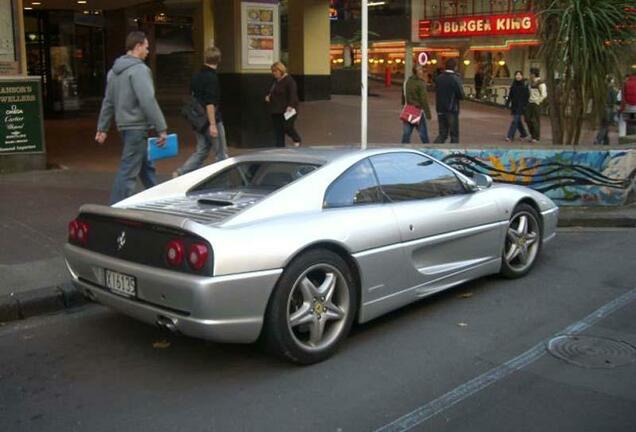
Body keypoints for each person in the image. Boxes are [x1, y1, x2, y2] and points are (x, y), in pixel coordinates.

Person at [96, 31, 167, 205]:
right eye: (146, 47)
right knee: (128, 170)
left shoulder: (113, 72)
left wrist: (102, 128)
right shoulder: (140, 70)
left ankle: (157, 198)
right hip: (137, 126)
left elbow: (108, 102)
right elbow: (147, 100)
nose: (148, 51)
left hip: (124, 126)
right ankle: (116, 207)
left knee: (145, 166)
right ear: (137, 47)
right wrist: (161, 128)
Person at [173, 46, 227, 177]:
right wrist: (213, 124)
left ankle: (181, 172)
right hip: (211, 120)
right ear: (218, 60)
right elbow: (210, 103)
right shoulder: (212, 78)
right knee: (221, 153)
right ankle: (223, 179)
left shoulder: (196, 76)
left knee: (202, 150)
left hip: (197, 120)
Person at [265, 61, 301, 147]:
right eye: (273, 71)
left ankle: (296, 139)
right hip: (276, 109)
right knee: (278, 131)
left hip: (287, 109)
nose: (274, 73)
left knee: (287, 126)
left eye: (275, 71)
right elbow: (273, 92)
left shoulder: (289, 81)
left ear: (281, 70)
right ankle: (279, 147)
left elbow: (293, 94)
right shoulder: (275, 81)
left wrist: (290, 106)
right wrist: (269, 97)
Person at [433, 58, 464, 144]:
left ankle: (434, 148)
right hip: (452, 109)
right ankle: (454, 153)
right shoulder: (455, 78)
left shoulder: (439, 78)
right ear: (455, 67)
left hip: (440, 109)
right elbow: (461, 95)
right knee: (454, 135)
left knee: (442, 134)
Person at [401, 64, 432, 144]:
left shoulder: (407, 81)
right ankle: (427, 149)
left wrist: (404, 104)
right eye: (421, 70)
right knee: (423, 134)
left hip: (408, 110)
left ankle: (404, 148)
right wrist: (428, 114)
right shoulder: (420, 83)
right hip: (417, 111)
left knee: (406, 134)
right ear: (418, 72)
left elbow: (403, 95)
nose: (422, 72)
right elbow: (423, 99)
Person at [504, 71, 529, 142]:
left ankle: (510, 136)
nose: (518, 76)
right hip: (514, 105)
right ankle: (523, 134)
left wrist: (525, 105)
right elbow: (510, 96)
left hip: (521, 106)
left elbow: (527, 96)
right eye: (517, 75)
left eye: (519, 75)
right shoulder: (513, 86)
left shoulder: (524, 85)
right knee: (518, 121)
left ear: (522, 76)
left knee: (515, 121)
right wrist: (507, 104)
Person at [593, 75, 619, 145]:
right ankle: (598, 140)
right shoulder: (612, 89)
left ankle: (606, 141)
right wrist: (614, 110)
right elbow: (614, 101)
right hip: (608, 109)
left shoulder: (601, 89)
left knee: (604, 125)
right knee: (604, 125)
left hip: (601, 108)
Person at [524, 67, 547, 143]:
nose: (530, 75)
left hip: (536, 103)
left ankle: (536, 137)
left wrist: (538, 101)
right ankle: (532, 134)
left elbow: (544, 94)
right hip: (530, 102)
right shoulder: (530, 83)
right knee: (527, 119)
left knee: (535, 120)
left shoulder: (541, 83)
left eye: (531, 74)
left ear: (534, 74)